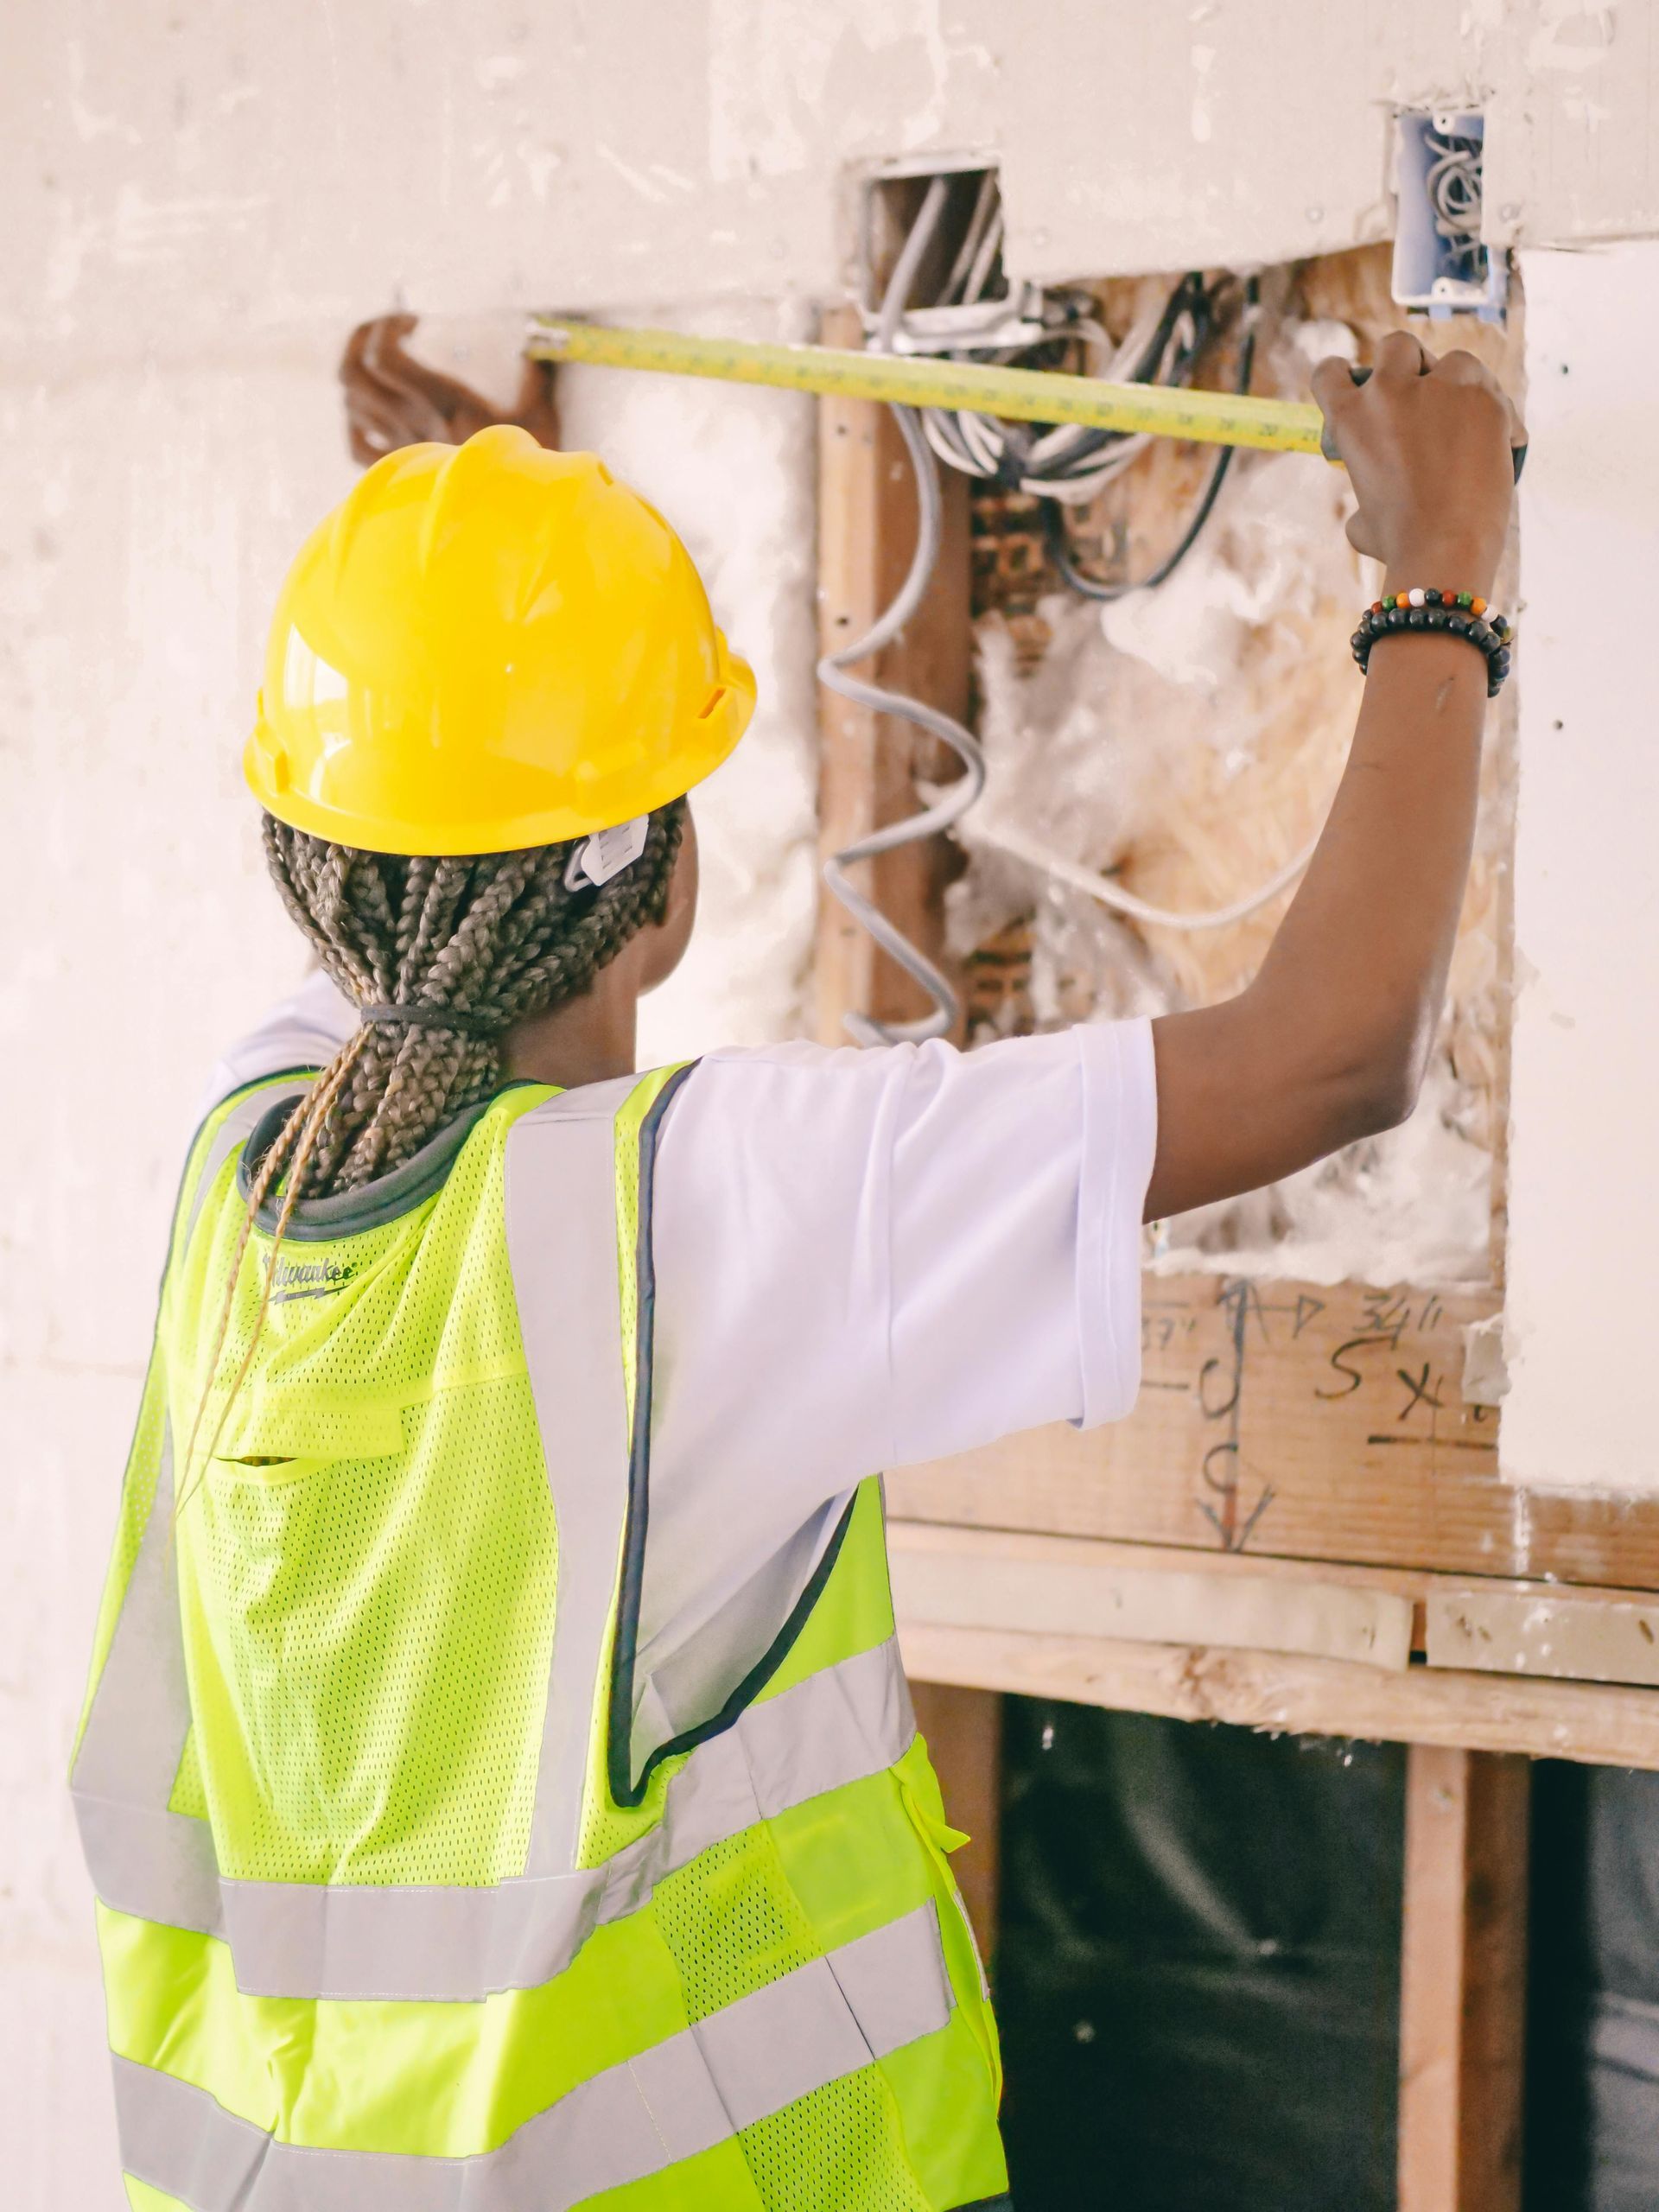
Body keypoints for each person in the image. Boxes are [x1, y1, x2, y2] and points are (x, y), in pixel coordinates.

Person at [72, 331, 1520, 2212]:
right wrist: (1442, 571)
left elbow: (423, 844)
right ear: (661, 886)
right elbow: (1335, 1050)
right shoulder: (697, 1225)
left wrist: (489, 548)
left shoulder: (239, 1167)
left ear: (302, 868)